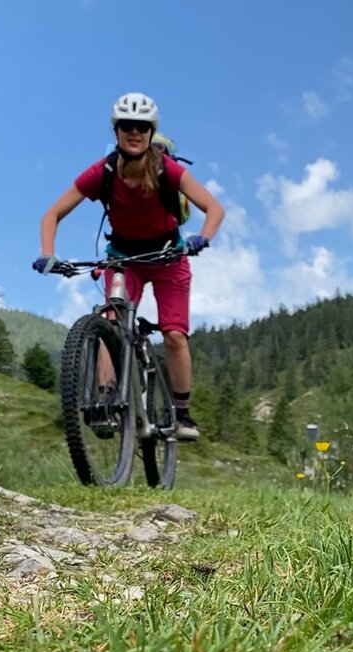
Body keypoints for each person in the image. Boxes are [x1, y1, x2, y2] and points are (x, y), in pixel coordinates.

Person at [35, 92, 224, 441]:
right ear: (116, 131)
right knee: (111, 320)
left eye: (141, 126)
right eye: (126, 126)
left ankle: (182, 415)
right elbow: (53, 213)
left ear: (151, 132)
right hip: (123, 258)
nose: (133, 132)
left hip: (169, 258)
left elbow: (214, 208)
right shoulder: (102, 172)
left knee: (174, 335)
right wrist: (48, 253)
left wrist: (203, 237)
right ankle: (107, 400)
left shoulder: (169, 170)